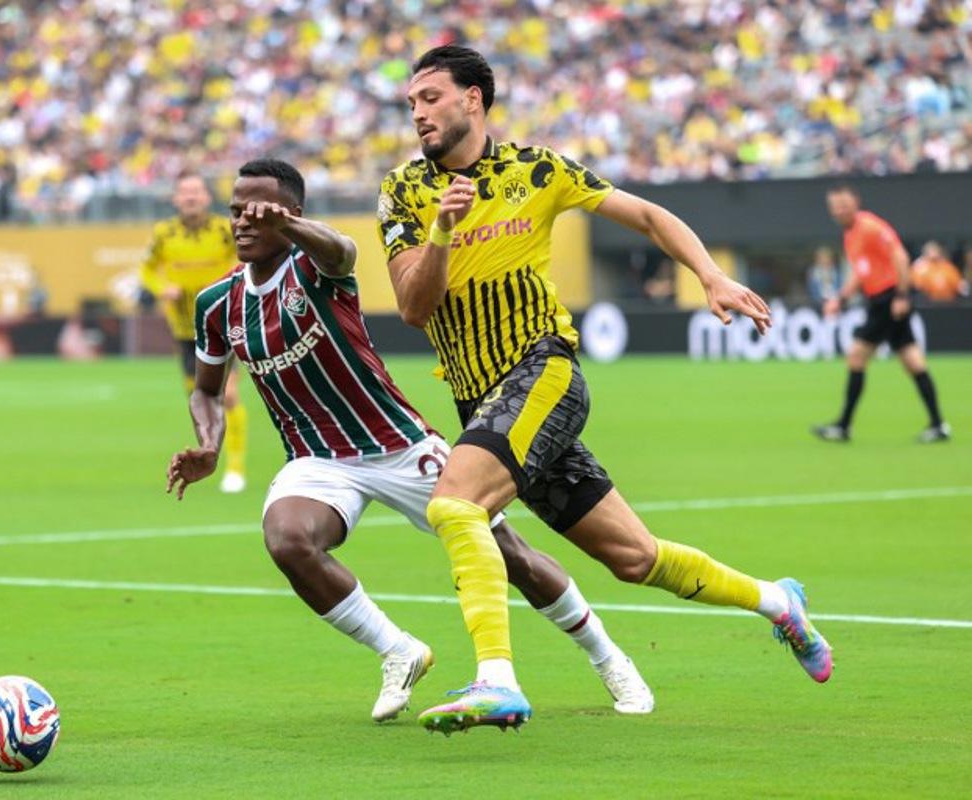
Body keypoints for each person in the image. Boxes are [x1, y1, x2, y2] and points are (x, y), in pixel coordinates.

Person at [378, 46, 832, 734]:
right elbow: (413, 307)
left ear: (473, 98)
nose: (418, 113)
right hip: (485, 402)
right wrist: (442, 227)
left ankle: (496, 679)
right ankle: (778, 601)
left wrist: (709, 274)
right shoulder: (405, 191)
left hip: (543, 372)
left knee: (455, 503)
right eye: (411, 103)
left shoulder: (539, 169)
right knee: (634, 558)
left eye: (431, 98)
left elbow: (649, 217)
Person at [166, 158, 654, 727]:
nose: (243, 223)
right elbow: (206, 390)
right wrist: (208, 443)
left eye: (259, 213)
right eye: (236, 212)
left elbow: (342, 251)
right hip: (318, 459)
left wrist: (288, 227)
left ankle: (609, 656)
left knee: (511, 556)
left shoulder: (315, 268)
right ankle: (398, 651)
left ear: (291, 216)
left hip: (396, 444)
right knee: (287, 540)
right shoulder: (216, 304)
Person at [813, 186, 951, 443]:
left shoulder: (870, 227)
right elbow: (860, 272)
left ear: (856, 202)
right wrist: (841, 298)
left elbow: (899, 254)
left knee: (856, 356)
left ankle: (843, 426)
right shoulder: (850, 234)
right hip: (880, 299)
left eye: (843, 203)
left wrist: (902, 295)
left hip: (888, 299)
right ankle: (938, 425)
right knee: (912, 361)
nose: (839, 210)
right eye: (834, 205)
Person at [142, 173, 249, 492]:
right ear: (175, 199)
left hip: (223, 323)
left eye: (197, 191)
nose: (190, 197)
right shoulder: (164, 234)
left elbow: (246, 259)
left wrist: (231, 287)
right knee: (199, 398)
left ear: (207, 197)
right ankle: (208, 453)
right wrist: (163, 288)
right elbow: (147, 269)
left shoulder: (224, 230)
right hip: (185, 329)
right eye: (185, 191)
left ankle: (235, 468)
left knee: (227, 395)